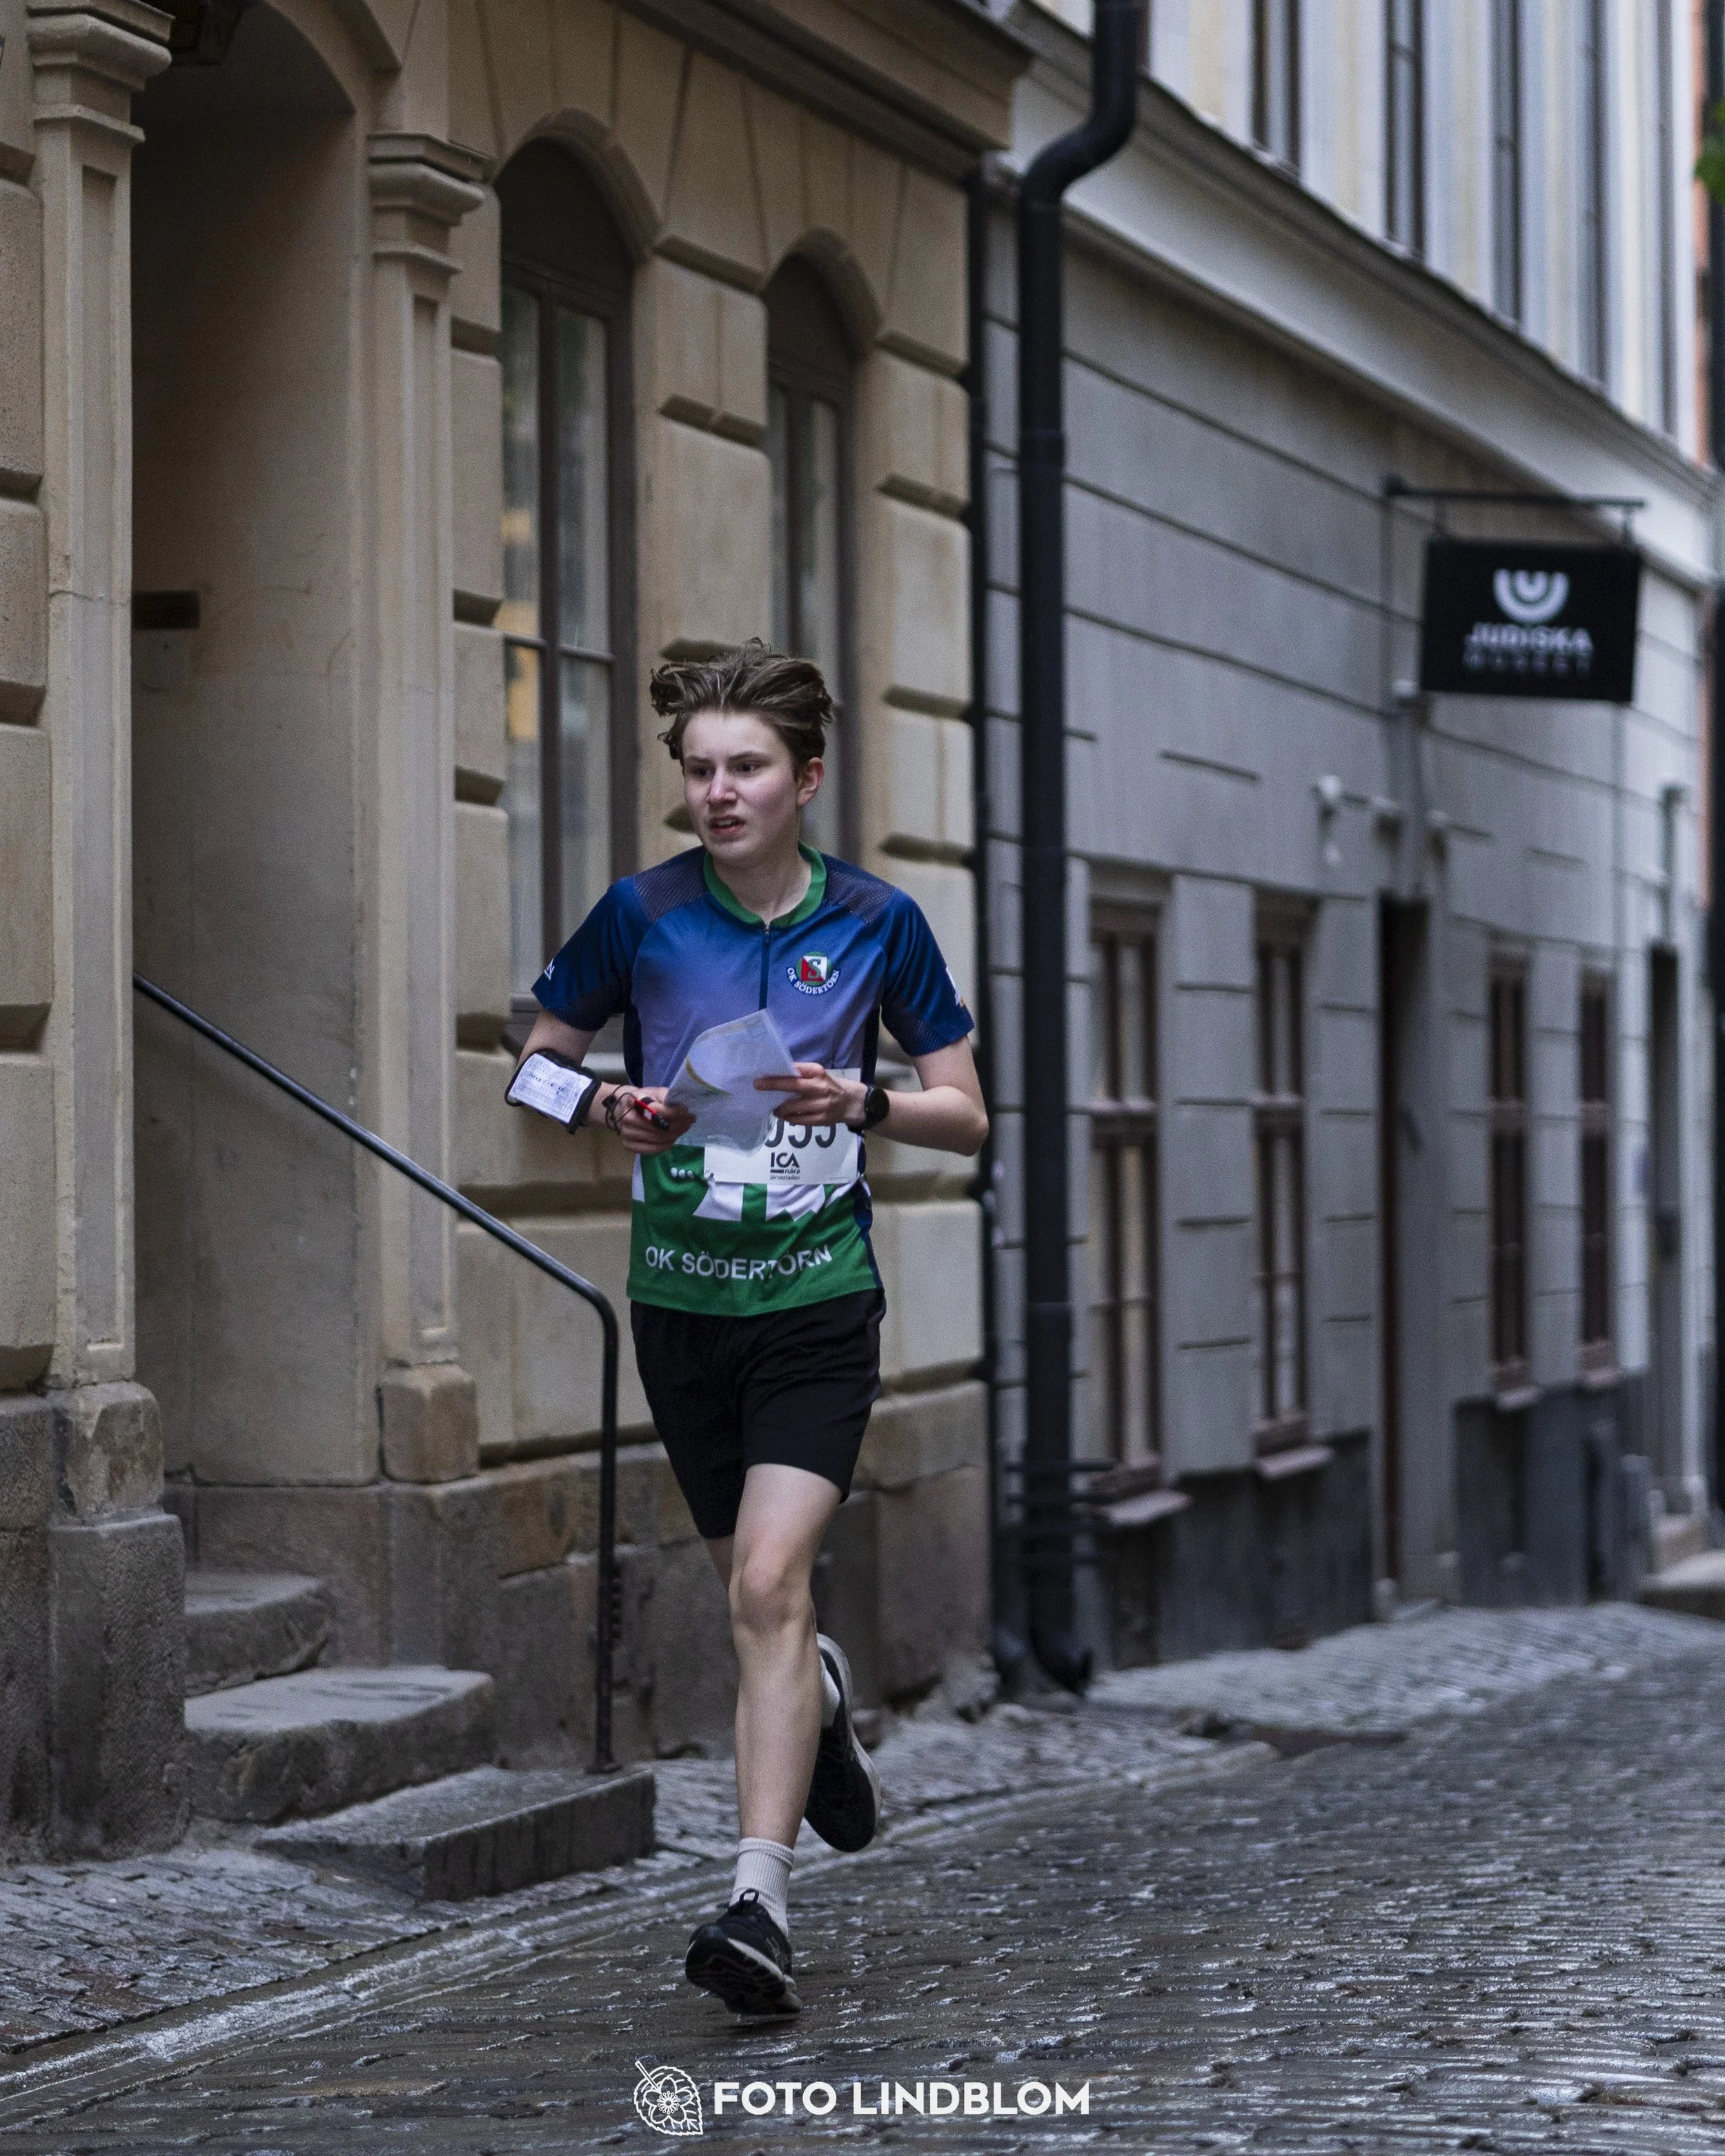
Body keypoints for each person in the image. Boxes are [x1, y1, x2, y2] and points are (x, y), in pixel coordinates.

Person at [512, 641, 987, 2016]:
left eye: (746, 768)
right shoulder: (642, 913)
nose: (717, 791)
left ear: (804, 779)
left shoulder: (879, 920)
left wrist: (873, 1102)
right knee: (758, 1602)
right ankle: (820, 1696)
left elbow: (965, 1108)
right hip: (682, 1306)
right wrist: (602, 1104)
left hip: (814, 1303)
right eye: (700, 769)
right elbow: (527, 1070)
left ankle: (755, 1897)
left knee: (767, 1586)